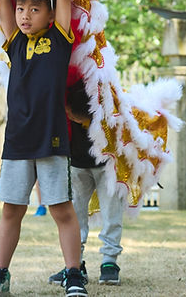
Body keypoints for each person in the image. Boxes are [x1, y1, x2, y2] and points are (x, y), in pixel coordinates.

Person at [0, 0, 88, 297]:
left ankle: (73, 273)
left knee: (61, 209)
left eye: (34, 9)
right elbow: (2, 1)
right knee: (11, 210)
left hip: (52, 140)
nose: (25, 16)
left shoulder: (59, 40)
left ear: (50, 14)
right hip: (17, 142)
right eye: (21, 8)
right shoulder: (14, 44)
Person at [48, 82, 125, 286]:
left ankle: (109, 263)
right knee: (75, 216)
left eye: (73, 115)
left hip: (108, 166)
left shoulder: (109, 111)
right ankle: (75, 264)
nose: (70, 116)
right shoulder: (68, 100)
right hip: (77, 165)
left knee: (112, 212)